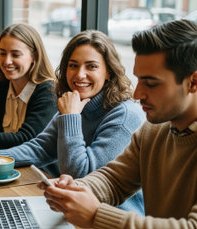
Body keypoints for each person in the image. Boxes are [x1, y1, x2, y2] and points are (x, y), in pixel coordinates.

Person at [38, 19, 197, 229]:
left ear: (193, 82)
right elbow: (114, 180)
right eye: (138, 80)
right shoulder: (153, 130)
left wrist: (96, 216)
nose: (137, 94)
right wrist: (75, 188)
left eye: (150, 83)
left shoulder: (132, 117)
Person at [0, 30, 145, 214]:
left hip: (112, 217)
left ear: (108, 72)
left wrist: (70, 117)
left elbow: (81, 177)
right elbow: (40, 147)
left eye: (91, 66)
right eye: (73, 65)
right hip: (75, 210)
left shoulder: (123, 116)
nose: (80, 75)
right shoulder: (77, 102)